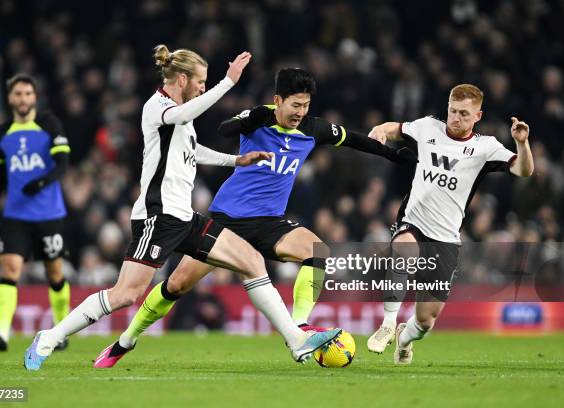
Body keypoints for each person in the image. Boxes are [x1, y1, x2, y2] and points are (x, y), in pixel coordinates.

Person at [24, 46, 342, 371]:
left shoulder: (181, 114)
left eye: (208, 82)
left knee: (252, 260)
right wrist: (228, 83)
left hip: (185, 218)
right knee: (125, 294)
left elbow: (194, 150)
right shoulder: (158, 107)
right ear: (183, 78)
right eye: (201, 81)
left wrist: (236, 160)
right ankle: (48, 337)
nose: (203, 87)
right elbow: (182, 117)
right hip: (157, 217)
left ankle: (296, 339)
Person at [93, 67, 415, 368]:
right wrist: (252, 117)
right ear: (277, 101)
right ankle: (125, 341)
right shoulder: (259, 118)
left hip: (270, 223)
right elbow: (225, 128)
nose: (300, 112)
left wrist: (393, 154)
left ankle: (299, 326)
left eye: (305, 105)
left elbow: (356, 139)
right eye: (294, 105)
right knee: (176, 284)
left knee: (318, 252)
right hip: (227, 221)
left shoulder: (314, 129)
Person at [365, 83, 534, 364]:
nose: (456, 118)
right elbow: (397, 128)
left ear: (478, 116)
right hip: (413, 222)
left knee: (425, 321)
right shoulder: (428, 127)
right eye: (453, 111)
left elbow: (524, 171)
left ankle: (405, 338)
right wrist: (381, 129)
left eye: (464, 114)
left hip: (445, 238)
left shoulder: (485, 147)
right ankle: (387, 324)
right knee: (404, 249)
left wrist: (522, 143)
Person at [0, 73, 72, 352]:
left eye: (27, 94)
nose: (22, 99)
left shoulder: (49, 124)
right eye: (17, 94)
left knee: (55, 273)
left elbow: (63, 163)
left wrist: (42, 182)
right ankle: (1, 334)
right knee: (9, 270)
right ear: (10, 98)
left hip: (48, 213)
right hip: (15, 215)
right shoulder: (1, 132)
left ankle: (61, 329)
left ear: (34, 97)